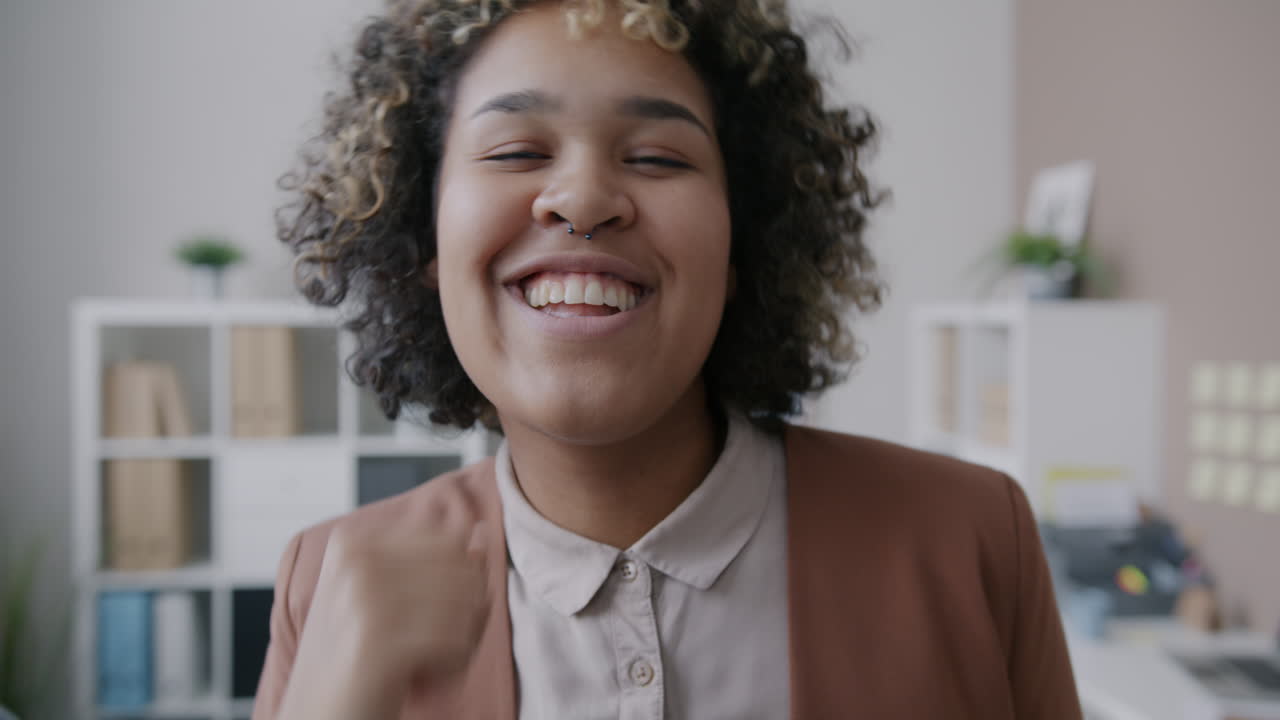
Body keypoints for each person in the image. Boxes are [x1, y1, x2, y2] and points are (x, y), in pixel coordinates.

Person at [257, 0, 1083, 717]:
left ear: (739, 253)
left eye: (657, 156)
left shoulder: (973, 540)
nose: (581, 200)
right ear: (424, 244)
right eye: (514, 151)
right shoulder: (323, 585)